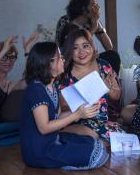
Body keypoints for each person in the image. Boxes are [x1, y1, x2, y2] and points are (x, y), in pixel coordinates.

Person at [20, 41, 108, 170]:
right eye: (60, 57)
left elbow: (58, 116)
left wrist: (79, 110)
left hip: (52, 139)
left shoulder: (52, 85)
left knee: (91, 142)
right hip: (39, 150)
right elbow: (44, 128)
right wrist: (76, 115)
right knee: (92, 154)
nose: (63, 60)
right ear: (48, 63)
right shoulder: (36, 89)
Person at [59, 29, 124, 143]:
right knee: (91, 136)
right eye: (75, 48)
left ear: (92, 47)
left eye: (85, 46)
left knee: (122, 138)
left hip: (102, 122)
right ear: (69, 51)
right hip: (76, 121)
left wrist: (110, 89)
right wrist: (98, 87)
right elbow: (63, 105)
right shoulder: (64, 72)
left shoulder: (103, 65)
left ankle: (98, 144)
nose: (81, 51)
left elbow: (116, 96)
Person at [55, 0, 121, 74]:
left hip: (88, 59)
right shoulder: (66, 21)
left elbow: (109, 47)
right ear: (83, 8)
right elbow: (76, 47)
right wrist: (93, 27)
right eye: (93, 5)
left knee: (112, 56)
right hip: (72, 61)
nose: (97, 8)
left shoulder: (91, 21)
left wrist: (97, 22)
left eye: (97, 5)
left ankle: (111, 83)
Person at [0, 32, 38, 124]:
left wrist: (27, 51)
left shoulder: (9, 85)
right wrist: (4, 50)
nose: (8, 61)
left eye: (12, 57)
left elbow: (29, 81)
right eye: (4, 57)